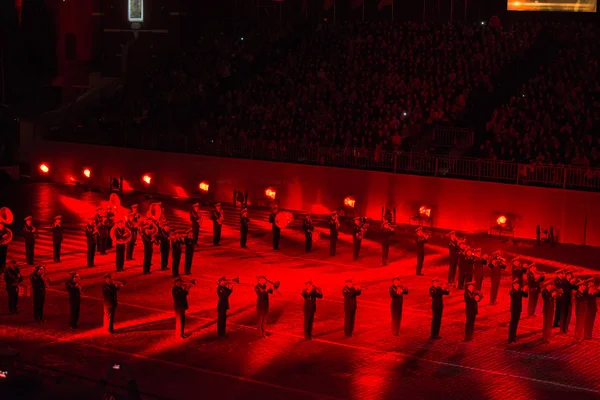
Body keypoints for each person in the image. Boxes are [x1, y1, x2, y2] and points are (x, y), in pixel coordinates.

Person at [508, 279, 529, 344]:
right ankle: (510, 338)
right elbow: (515, 296)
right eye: (516, 284)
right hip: (514, 309)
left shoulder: (519, 291)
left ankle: (514, 337)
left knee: (516, 324)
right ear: (514, 285)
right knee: (512, 324)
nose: (518, 285)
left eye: (518, 284)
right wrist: (522, 290)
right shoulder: (512, 291)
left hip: (519, 309)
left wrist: (526, 290)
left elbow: (525, 296)